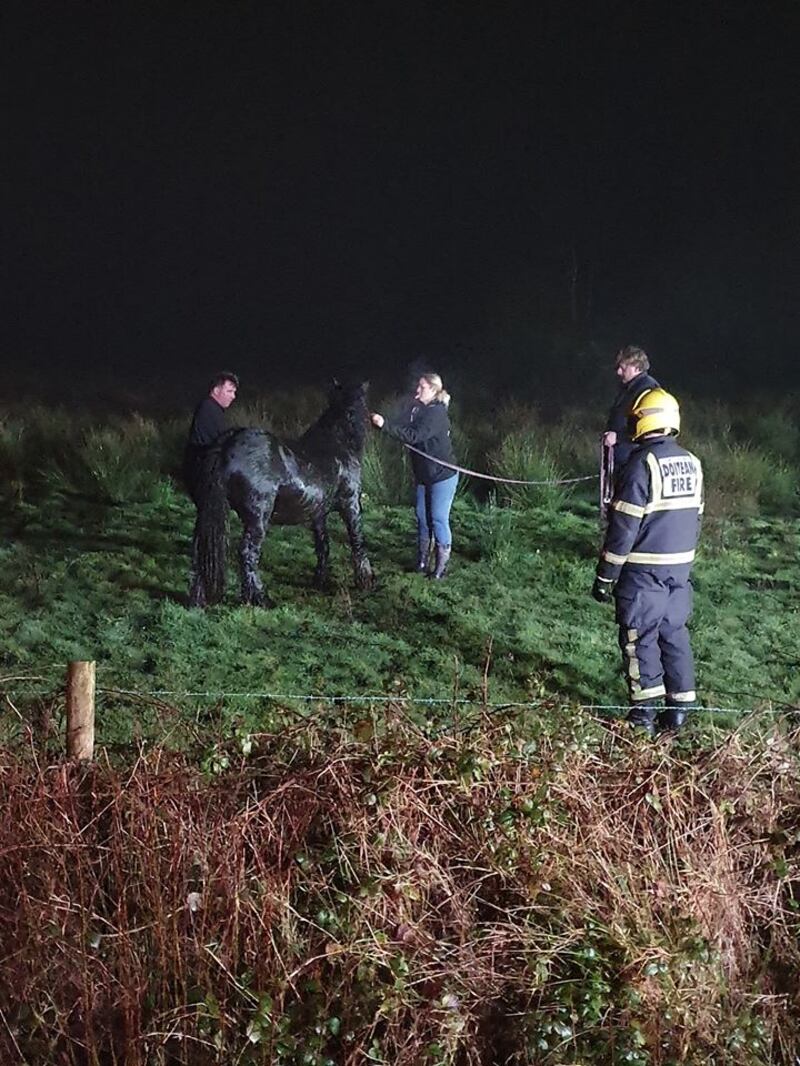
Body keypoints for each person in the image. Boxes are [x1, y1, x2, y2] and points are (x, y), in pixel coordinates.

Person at [591, 387, 703, 736]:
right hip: (680, 571)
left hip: (642, 572)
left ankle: (643, 717)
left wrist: (606, 577)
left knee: (639, 639)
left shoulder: (642, 465)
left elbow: (624, 528)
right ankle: (680, 710)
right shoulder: (692, 461)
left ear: (643, 421)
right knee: (674, 636)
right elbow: (697, 516)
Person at [371, 372, 458, 580]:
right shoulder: (419, 410)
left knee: (437, 518)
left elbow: (414, 436)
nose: (417, 390)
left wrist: (385, 425)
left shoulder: (436, 413)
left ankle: (440, 569)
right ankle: (421, 561)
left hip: (442, 475)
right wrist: (384, 425)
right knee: (421, 516)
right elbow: (406, 428)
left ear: (434, 390)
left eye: (422, 387)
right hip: (423, 475)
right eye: (418, 386)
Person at [183, 371, 239, 503]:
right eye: (229, 391)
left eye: (234, 392)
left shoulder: (214, 410)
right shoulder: (208, 408)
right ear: (216, 390)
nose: (233, 396)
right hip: (202, 474)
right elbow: (216, 442)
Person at [603, 346, 659, 473]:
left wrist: (618, 437)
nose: (618, 372)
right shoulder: (629, 388)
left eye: (623, 368)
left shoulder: (648, 390)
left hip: (633, 460)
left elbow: (650, 427)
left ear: (636, 367)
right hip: (622, 459)